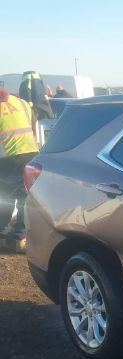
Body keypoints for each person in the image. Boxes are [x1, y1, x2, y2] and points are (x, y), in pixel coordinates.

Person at [0, 87, 39, 251]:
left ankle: (2, 233)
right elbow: (33, 125)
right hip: (31, 153)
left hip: (7, 157)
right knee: (25, 196)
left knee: (4, 195)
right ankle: (20, 236)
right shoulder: (22, 103)